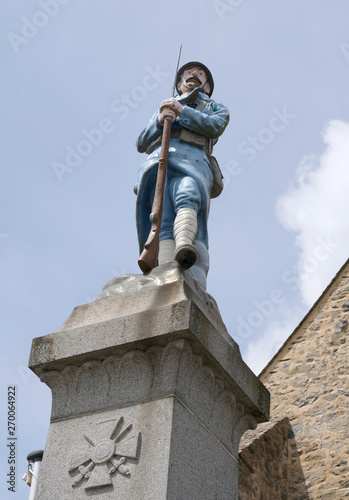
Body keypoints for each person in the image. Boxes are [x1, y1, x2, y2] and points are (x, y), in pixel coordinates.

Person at [135, 62, 229, 289]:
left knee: (188, 194)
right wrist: (160, 120)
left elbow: (215, 126)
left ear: (207, 87)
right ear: (178, 83)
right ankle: (167, 272)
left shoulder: (213, 107)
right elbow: (141, 142)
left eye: (200, 74)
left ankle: (186, 245)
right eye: (187, 73)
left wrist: (182, 111)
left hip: (193, 162)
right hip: (159, 166)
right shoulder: (164, 106)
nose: (193, 75)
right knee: (163, 220)